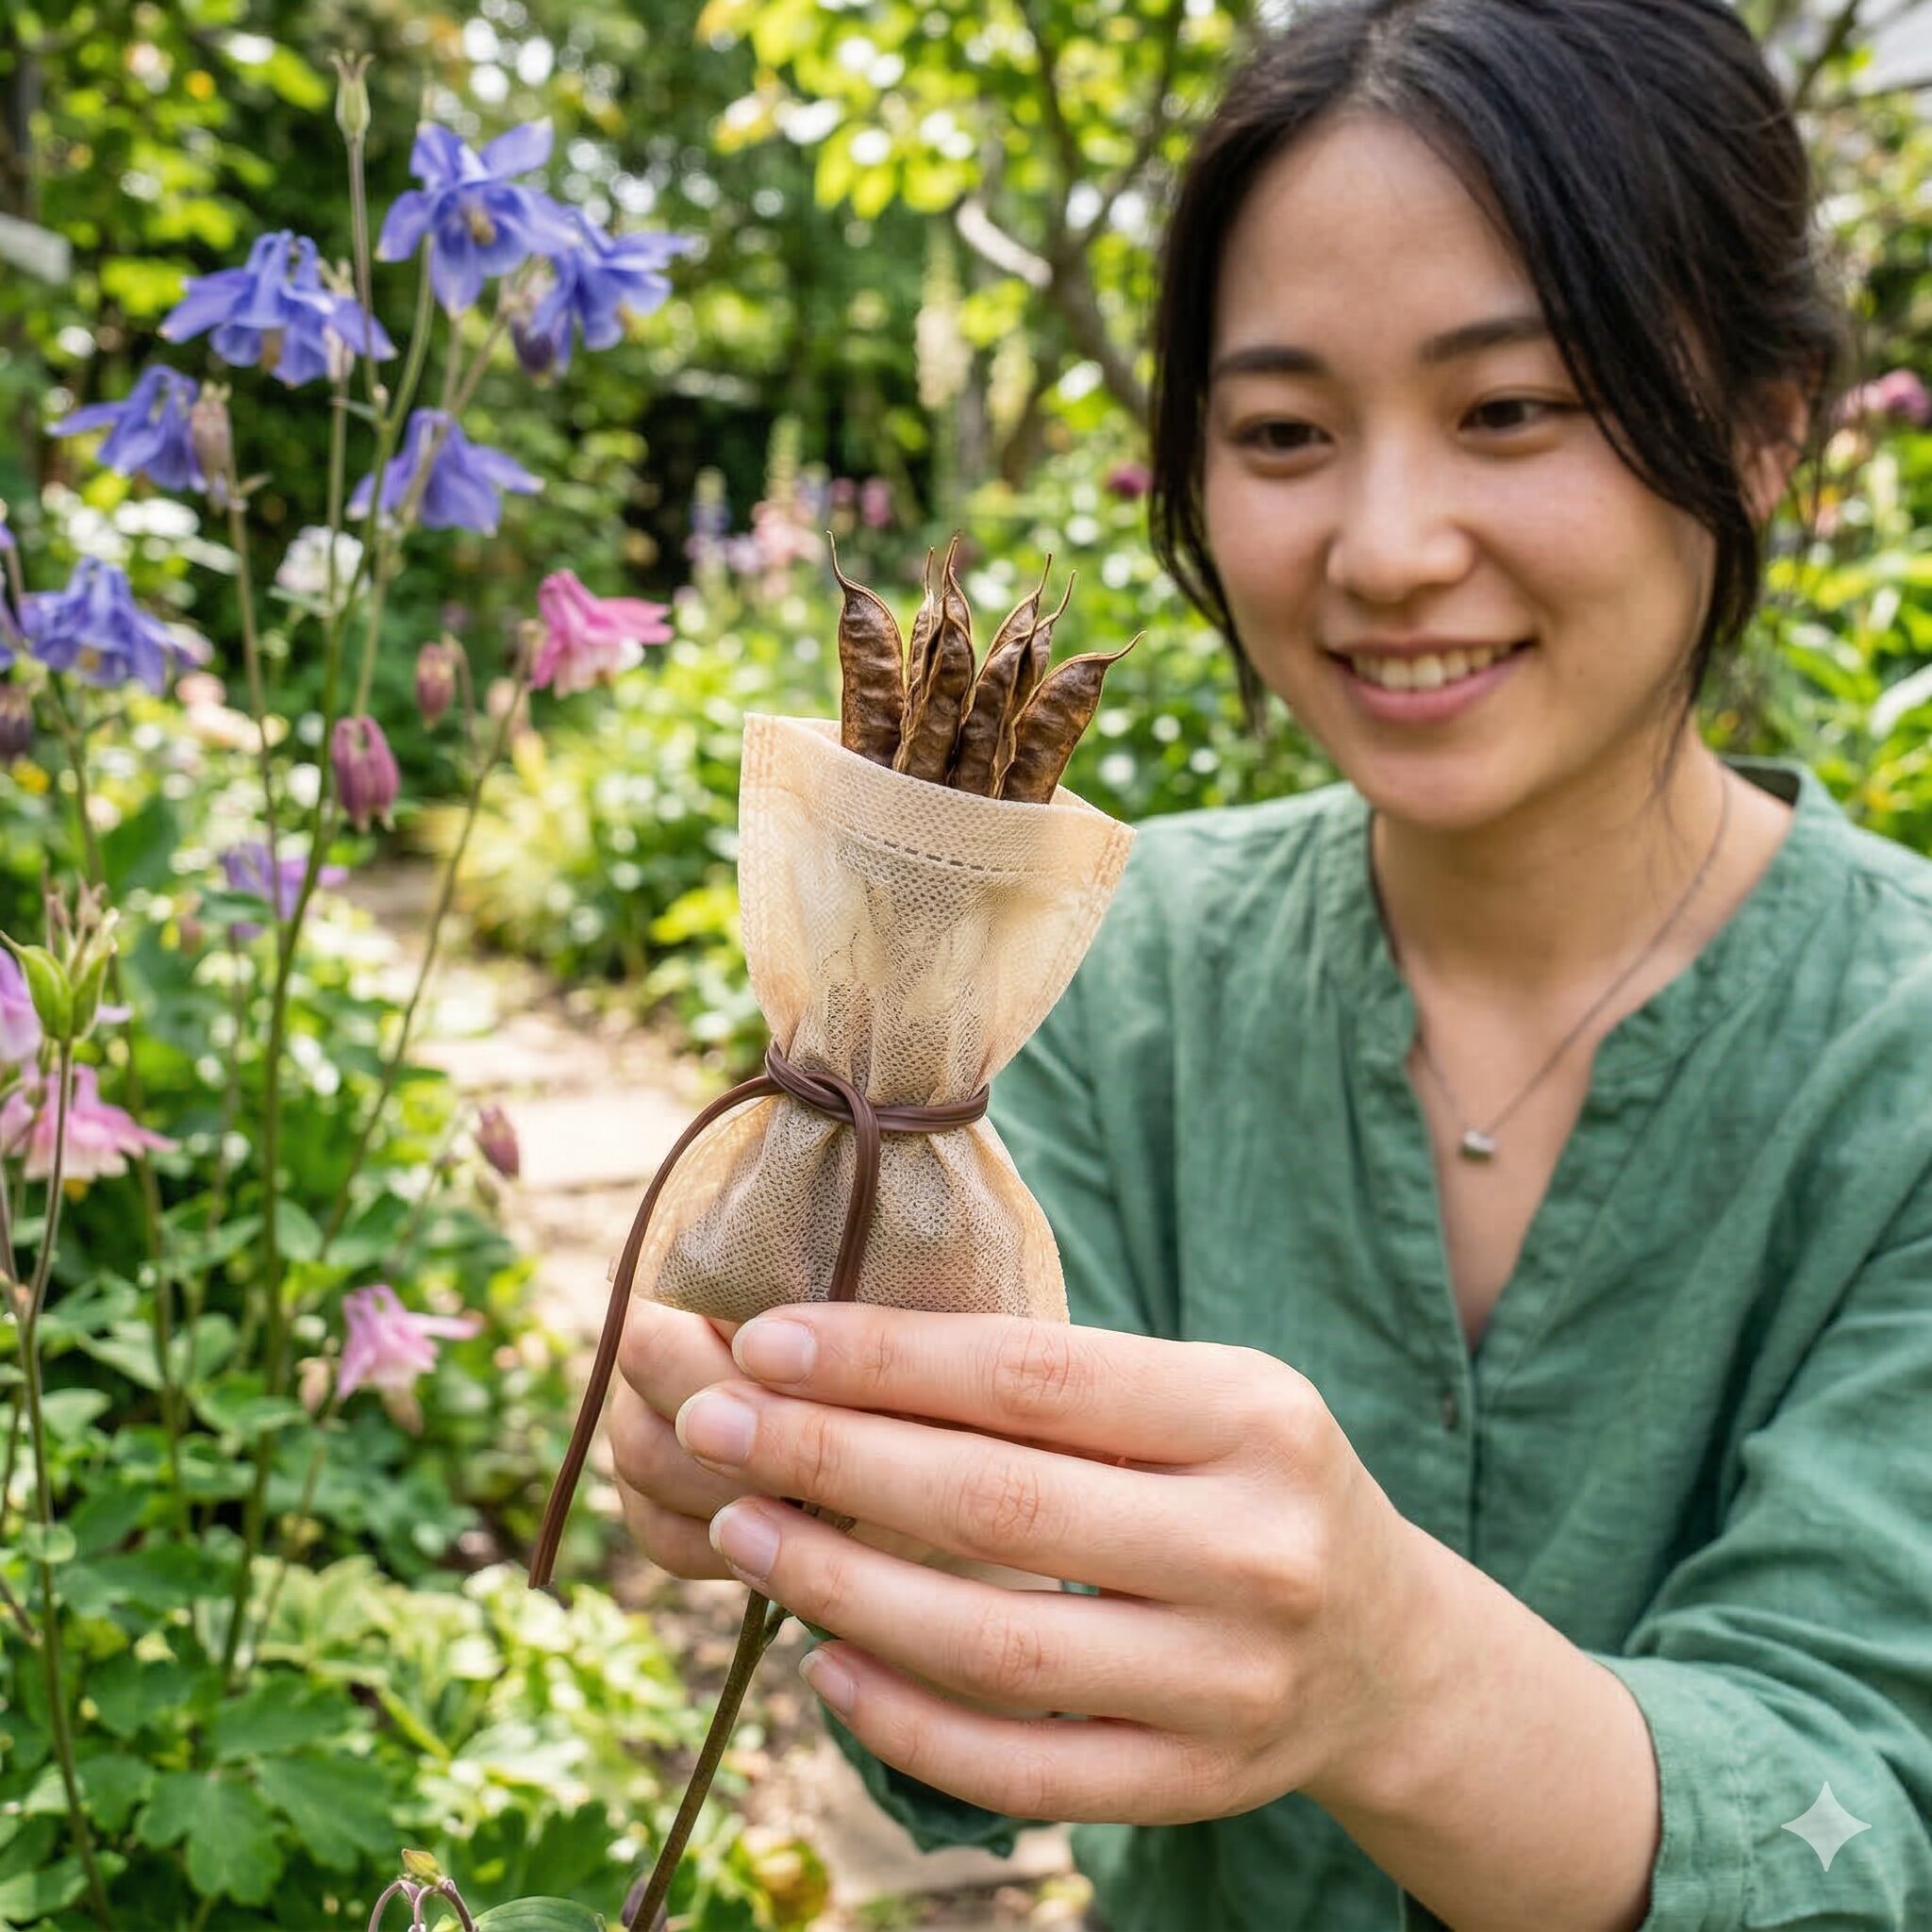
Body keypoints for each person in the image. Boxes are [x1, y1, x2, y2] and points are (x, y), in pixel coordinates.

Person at [608, 2, 1932, 1926]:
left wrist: (1394, 1678)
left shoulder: (1891, 1061)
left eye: (1511, 409)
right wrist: (822, 1484)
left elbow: (1859, 1804)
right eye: (1284, 434)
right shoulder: (1087, 978)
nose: (1383, 547)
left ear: (1761, 426)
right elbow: (982, 1682)